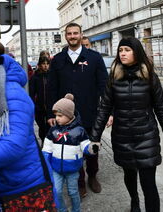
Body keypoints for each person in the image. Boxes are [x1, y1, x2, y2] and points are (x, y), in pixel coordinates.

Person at [89, 36, 163, 212]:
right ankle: (134, 200)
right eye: (120, 50)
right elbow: (104, 107)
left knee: (149, 184)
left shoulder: (149, 76)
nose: (123, 53)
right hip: (122, 137)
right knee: (129, 175)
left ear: (136, 52)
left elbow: (162, 108)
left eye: (127, 50)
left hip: (146, 136)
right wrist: (95, 137)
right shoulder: (114, 77)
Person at [0, 39, 57, 211]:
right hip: (3, 187)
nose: (44, 66)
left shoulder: (9, 92)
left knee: (45, 135)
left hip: (24, 188)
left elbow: (12, 146)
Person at [47, 23, 108, 197]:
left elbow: (104, 86)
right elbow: (52, 88)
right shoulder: (58, 60)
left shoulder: (94, 58)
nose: (73, 36)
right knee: (73, 149)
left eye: (76, 33)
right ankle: (80, 181)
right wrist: (51, 114)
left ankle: (93, 176)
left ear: (81, 34)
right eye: (69, 34)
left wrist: (109, 112)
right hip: (67, 116)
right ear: (65, 36)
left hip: (90, 112)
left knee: (92, 148)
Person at [42, 93, 97, 212]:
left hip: (72, 169)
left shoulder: (79, 131)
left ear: (69, 115)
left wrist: (92, 148)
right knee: (57, 191)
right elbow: (47, 148)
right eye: (56, 115)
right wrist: (45, 160)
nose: (57, 118)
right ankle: (62, 209)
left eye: (60, 115)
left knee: (73, 192)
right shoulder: (53, 131)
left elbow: (85, 145)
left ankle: (76, 209)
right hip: (56, 168)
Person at [29, 55, 51, 145]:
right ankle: (43, 140)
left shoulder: (51, 75)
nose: (45, 66)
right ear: (39, 65)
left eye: (47, 64)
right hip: (39, 106)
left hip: (50, 106)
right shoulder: (35, 77)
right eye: (43, 64)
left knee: (50, 126)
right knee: (42, 126)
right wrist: (33, 104)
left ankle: (48, 143)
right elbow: (31, 92)